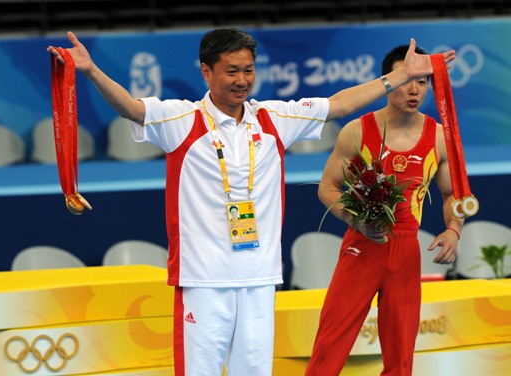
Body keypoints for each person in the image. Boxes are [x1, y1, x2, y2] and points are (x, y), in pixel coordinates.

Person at [47, 29, 455, 376]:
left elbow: (340, 103)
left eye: (248, 70)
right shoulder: (181, 120)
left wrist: (398, 76)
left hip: (260, 280)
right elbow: (132, 108)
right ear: (206, 72)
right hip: (203, 282)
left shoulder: (274, 118)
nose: (242, 80)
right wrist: (92, 71)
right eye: (231, 71)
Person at [305, 44, 463, 376]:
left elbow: (452, 194)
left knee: (401, 359)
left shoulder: (438, 137)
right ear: (389, 80)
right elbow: (327, 188)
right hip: (361, 247)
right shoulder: (357, 131)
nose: (414, 89)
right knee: (329, 349)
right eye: (408, 79)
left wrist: (453, 230)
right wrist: (357, 222)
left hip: (405, 254)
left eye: (422, 82)